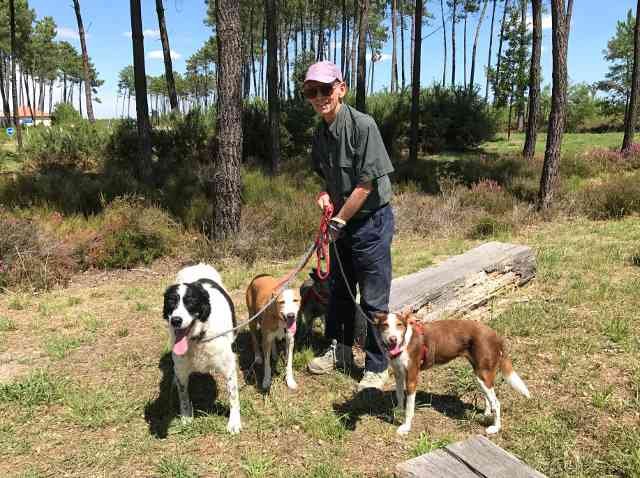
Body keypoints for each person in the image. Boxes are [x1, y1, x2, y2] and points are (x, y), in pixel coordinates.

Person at [304, 61, 395, 391]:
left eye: (325, 89)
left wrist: (339, 220)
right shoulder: (319, 132)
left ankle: (377, 365)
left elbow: (366, 184)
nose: (319, 97)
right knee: (340, 292)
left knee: (373, 298)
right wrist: (325, 195)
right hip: (340, 225)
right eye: (311, 92)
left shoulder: (363, 126)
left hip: (370, 223)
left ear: (340, 88)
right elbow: (325, 178)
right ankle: (339, 351)